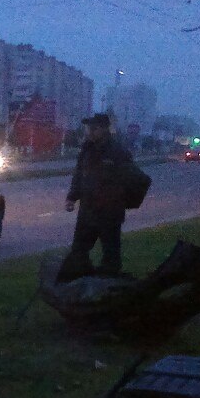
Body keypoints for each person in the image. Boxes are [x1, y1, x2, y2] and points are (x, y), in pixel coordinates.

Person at [61, 113, 135, 280]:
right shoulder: (86, 151)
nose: (90, 132)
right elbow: (79, 176)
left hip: (109, 212)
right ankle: (80, 281)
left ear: (104, 129)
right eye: (89, 128)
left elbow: (130, 179)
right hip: (87, 210)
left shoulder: (118, 152)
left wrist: (117, 199)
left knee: (110, 252)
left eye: (94, 128)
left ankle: (109, 285)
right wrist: (72, 197)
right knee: (79, 250)